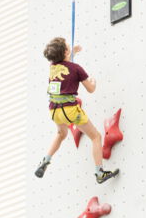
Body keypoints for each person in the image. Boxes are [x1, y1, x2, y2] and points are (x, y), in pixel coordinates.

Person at [35, 37, 119, 184]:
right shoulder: (77, 69)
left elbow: (64, 66)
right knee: (96, 137)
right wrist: (93, 81)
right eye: (68, 47)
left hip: (55, 111)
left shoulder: (52, 67)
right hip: (71, 111)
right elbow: (91, 89)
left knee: (61, 134)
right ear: (66, 51)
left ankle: (45, 161)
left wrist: (71, 52)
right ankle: (99, 172)